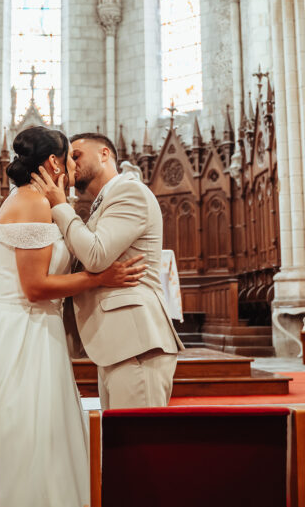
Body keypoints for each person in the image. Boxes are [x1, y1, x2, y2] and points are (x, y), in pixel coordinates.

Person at [0, 126, 145, 506]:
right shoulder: (31, 203)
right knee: (22, 426)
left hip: (32, 324)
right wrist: (100, 278)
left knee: (36, 429)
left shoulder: (33, 199)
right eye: (70, 157)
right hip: (22, 328)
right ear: (52, 161)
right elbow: (35, 287)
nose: (75, 165)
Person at [32, 132, 184, 409]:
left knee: (138, 443)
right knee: (119, 443)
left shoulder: (129, 191)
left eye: (76, 156)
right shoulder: (103, 202)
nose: (71, 164)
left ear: (104, 154)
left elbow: (95, 255)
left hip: (137, 341)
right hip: (119, 342)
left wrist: (61, 206)